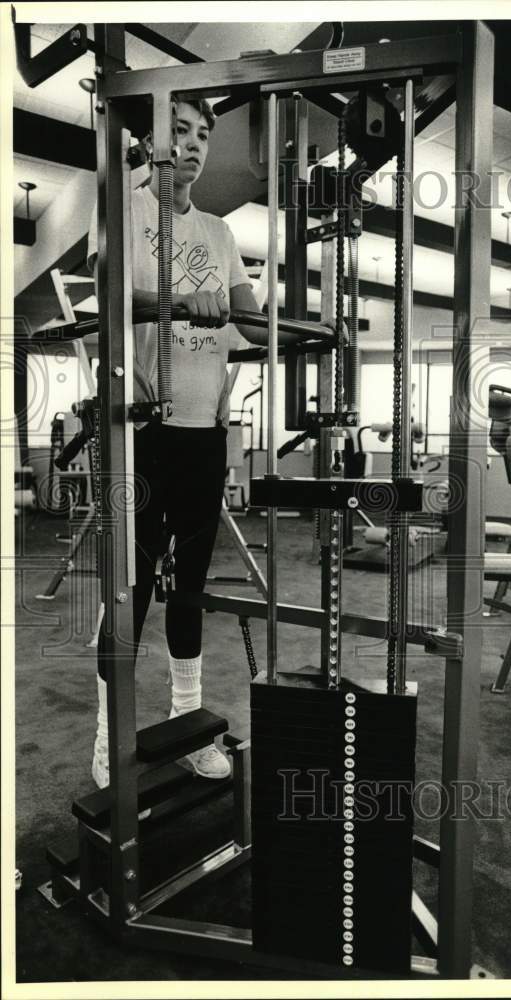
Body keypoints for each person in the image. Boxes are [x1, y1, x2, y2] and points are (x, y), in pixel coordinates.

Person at [87, 97, 268, 789]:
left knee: (188, 588)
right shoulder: (126, 214)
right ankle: (111, 740)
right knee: (129, 592)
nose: (191, 147)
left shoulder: (219, 231)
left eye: (201, 136)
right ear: (147, 144)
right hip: (140, 431)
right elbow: (109, 301)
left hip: (200, 433)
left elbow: (248, 323)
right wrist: (174, 301)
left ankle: (189, 724)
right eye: (178, 134)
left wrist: (280, 319)